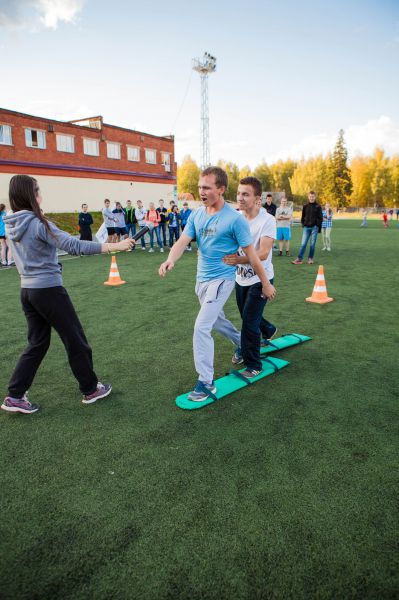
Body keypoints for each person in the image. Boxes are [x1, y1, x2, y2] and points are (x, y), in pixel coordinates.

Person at [1, 175, 134, 415]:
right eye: (37, 191)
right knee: (75, 340)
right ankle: (91, 389)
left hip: (27, 291)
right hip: (48, 291)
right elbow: (75, 245)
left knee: (37, 343)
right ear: (30, 195)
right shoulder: (39, 223)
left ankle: (15, 395)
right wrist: (115, 246)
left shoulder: (11, 223)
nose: (40, 195)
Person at [159, 166, 276, 402]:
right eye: (200, 187)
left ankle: (206, 382)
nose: (201, 192)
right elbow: (183, 240)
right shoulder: (197, 215)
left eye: (207, 187)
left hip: (222, 280)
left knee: (201, 326)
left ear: (221, 189)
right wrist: (170, 259)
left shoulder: (235, 220)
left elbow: (254, 256)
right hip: (201, 280)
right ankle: (241, 343)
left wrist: (265, 283)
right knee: (218, 321)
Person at [223, 177, 277, 378]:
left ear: (257, 198)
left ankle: (253, 364)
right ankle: (269, 329)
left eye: (245, 194)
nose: (240, 198)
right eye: (238, 193)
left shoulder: (267, 220)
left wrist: (237, 260)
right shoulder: (236, 217)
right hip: (241, 279)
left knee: (249, 324)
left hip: (261, 280)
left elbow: (262, 253)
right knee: (248, 317)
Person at [292, 191, 323, 265]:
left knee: (312, 245)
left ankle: (310, 258)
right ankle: (299, 259)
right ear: (308, 197)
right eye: (310, 196)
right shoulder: (305, 206)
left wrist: (316, 226)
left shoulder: (318, 206)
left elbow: (320, 218)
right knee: (303, 244)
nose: (311, 198)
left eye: (313, 197)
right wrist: (303, 224)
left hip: (314, 228)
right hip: (306, 228)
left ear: (315, 197)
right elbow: (303, 216)